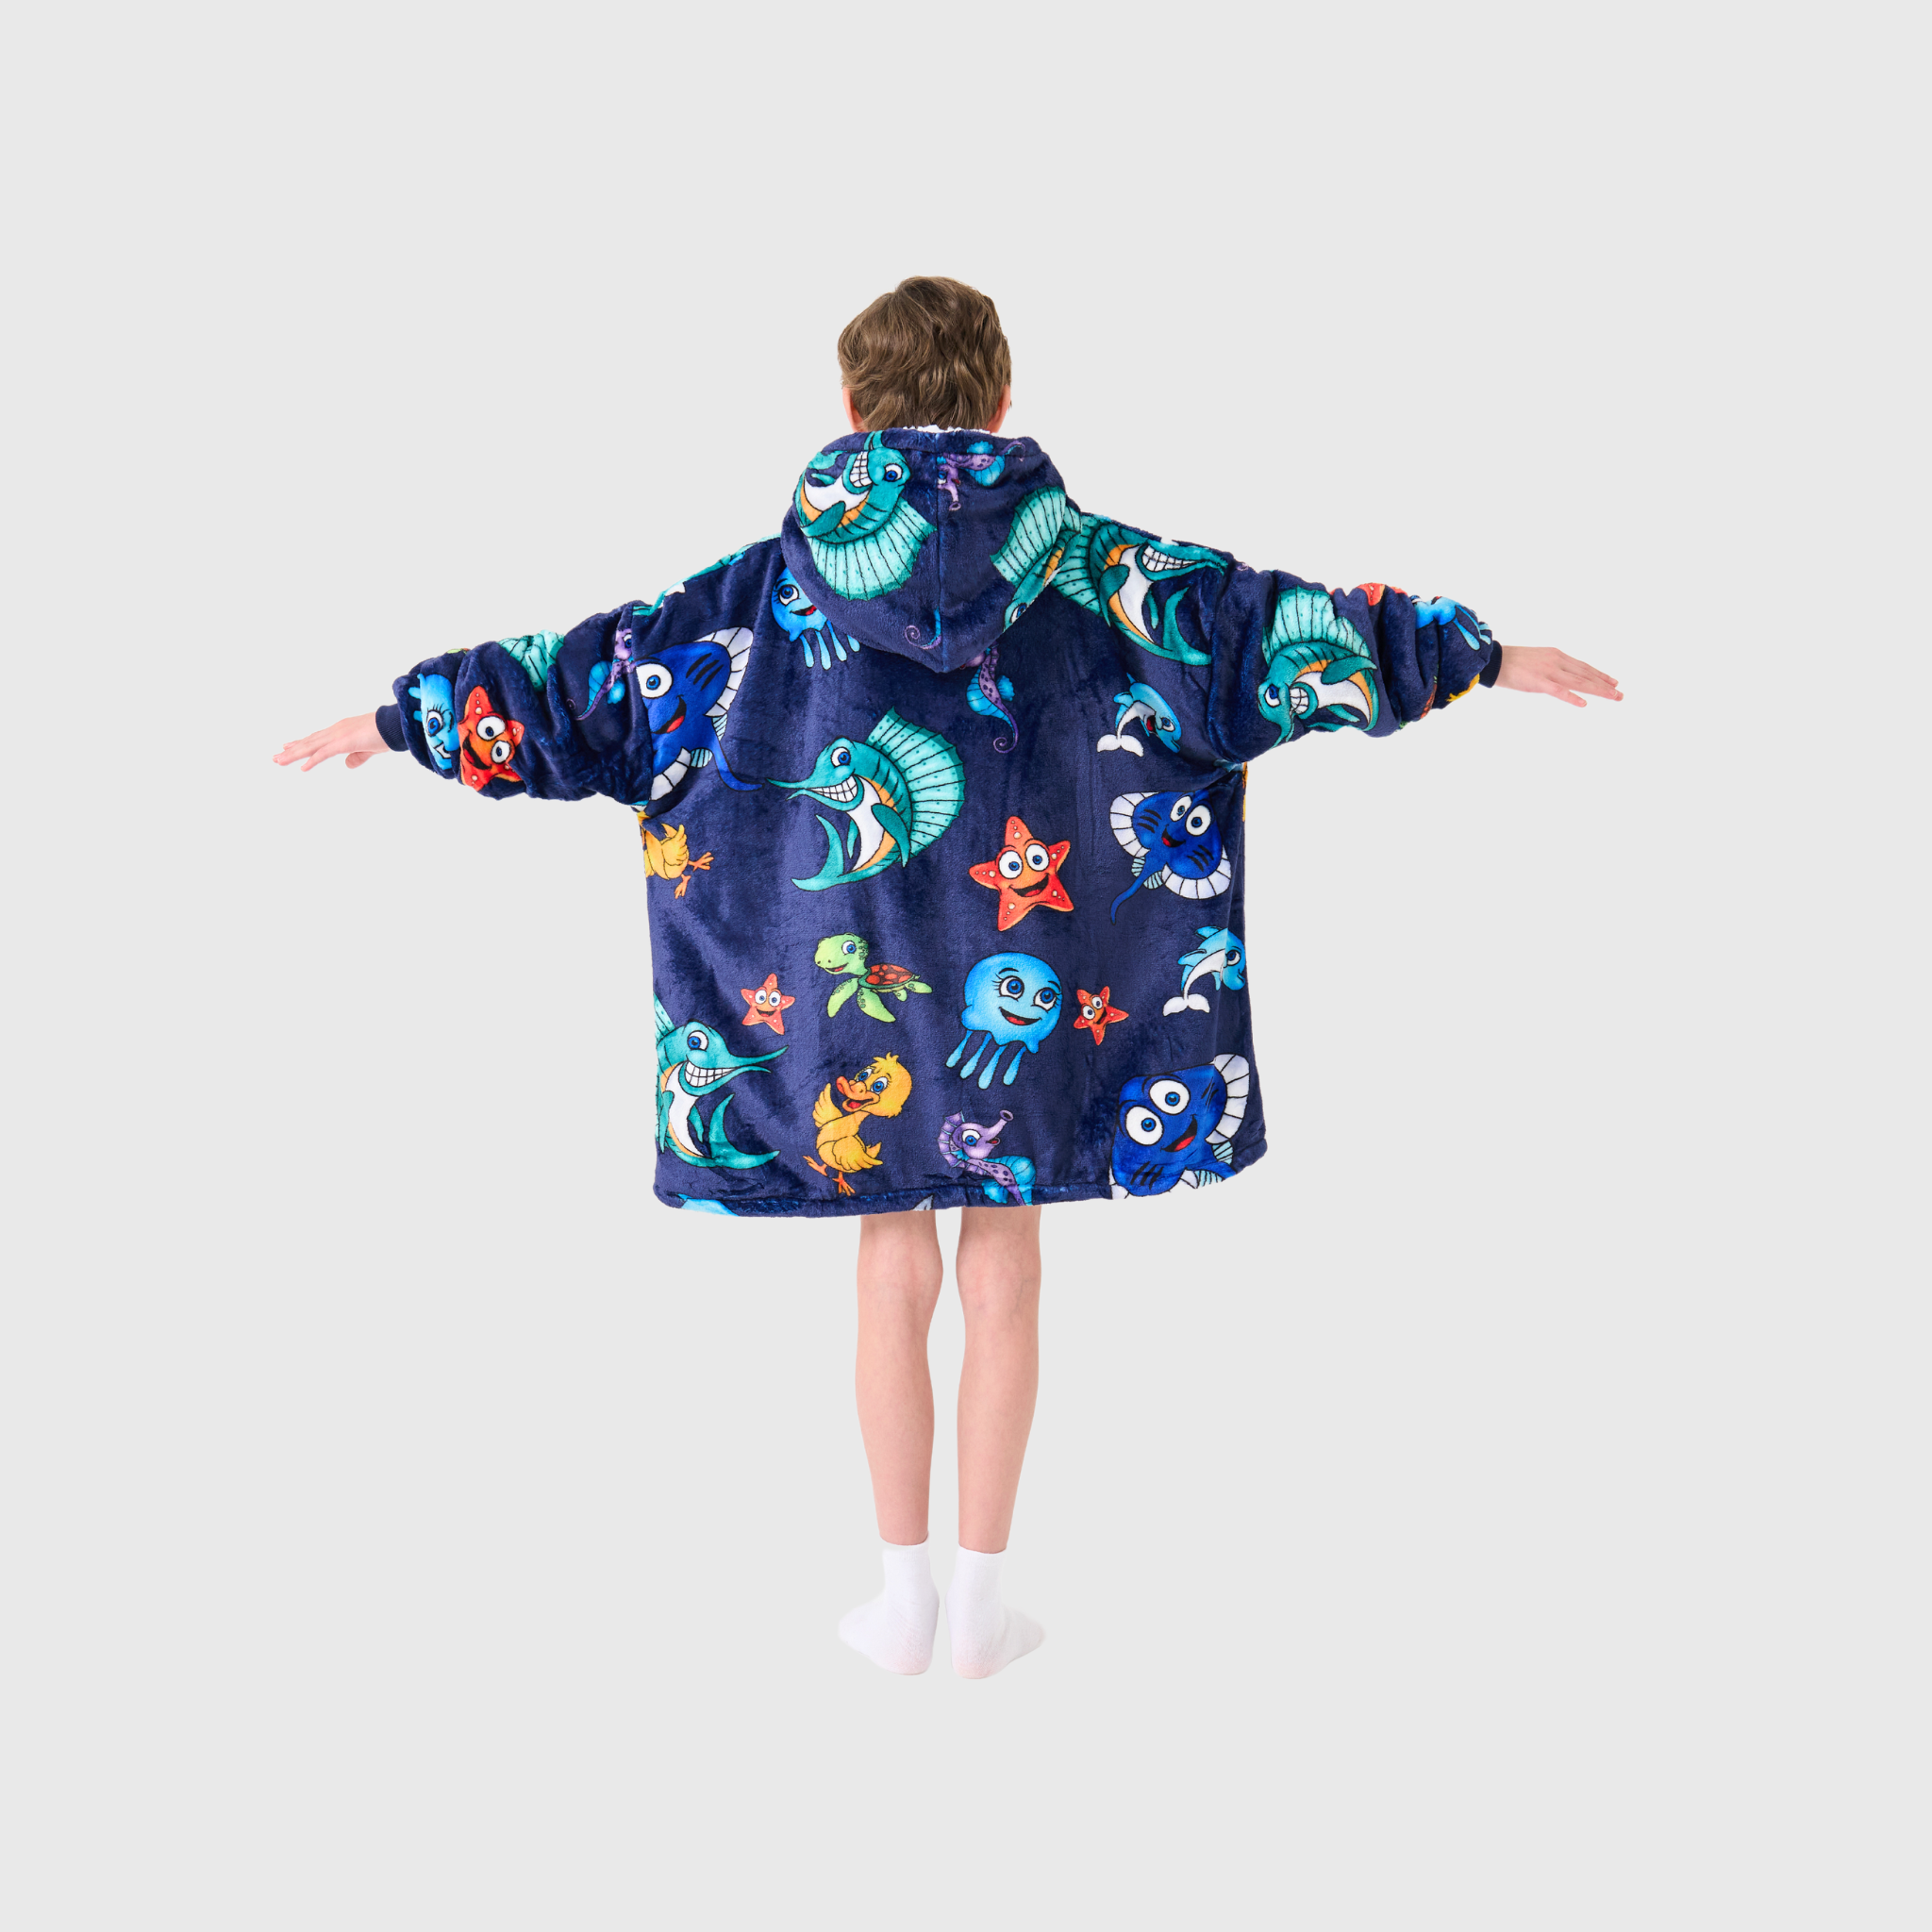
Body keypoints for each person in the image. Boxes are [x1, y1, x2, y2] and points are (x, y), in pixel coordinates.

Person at [277, 276, 1621, 1679]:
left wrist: (404, 718)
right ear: (1001, 400)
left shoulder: (749, 600)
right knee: (1009, 1266)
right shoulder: (1112, 579)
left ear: (850, 406)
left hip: (851, 995)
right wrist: (1479, 658)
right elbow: (1283, 637)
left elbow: (578, 689)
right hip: (1038, 988)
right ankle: (984, 1604)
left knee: (888, 1261)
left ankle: (901, 1597)